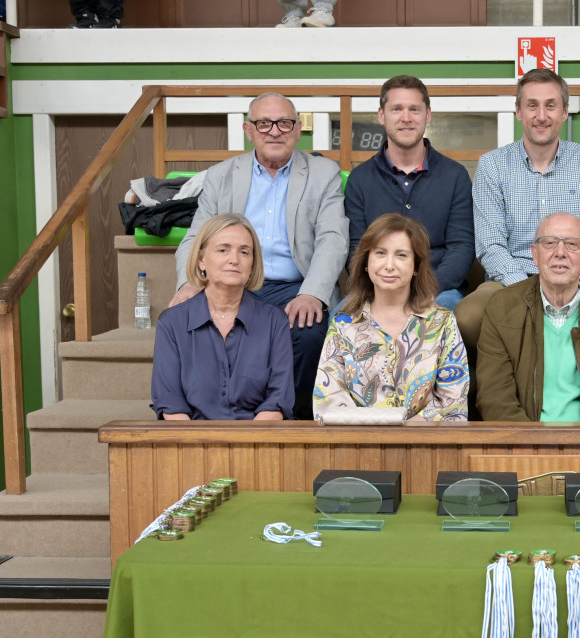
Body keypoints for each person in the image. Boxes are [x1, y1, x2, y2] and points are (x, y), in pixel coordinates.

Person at [173, 92, 348, 420]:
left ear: (297, 130)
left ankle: (295, 423)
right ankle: (215, 422)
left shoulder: (323, 173)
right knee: (189, 321)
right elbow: (196, 237)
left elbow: (332, 239)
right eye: (264, 123)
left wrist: (312, 292)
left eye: (284, 123)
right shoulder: (222, 175)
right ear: (248, 130)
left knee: (310, 333)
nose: (275, 131)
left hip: (296, 283)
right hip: (236, 282)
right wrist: (188, 282)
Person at [458, 68, 580, 353]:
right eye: (532, 105)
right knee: (468, 316)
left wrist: (570, 284)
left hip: (577, 277)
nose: (541, 116)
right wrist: (531, 290)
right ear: (518, 111)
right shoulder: (492, 165)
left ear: (565, 111)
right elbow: (490, 244)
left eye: (550, 105)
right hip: (511, 279)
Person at [475, 213, 580, 422]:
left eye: (572, 244)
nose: (560, 253)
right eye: (549, 243)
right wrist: (534, 448)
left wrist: (577, 446)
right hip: (522, 447)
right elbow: (495, 399)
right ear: (535, 254)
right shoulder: (500, 310)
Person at [314, 214, 468, 421]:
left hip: (425, 445)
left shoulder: (442, 323)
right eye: (380, 253)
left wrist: (407, 433)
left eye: (401, 255)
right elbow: (328, 402)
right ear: (366, 262)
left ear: (416, 266)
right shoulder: (343, 325)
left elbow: (453, 403)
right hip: (358, 445)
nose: (389, 265)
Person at [344, 75, 474, 310]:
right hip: (377, 289)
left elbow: (461, 247)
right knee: (339, 316)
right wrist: (385, 291)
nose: (406, 118)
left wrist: (426, 290)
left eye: (414, 109)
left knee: (448, 314)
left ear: (428, 114)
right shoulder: (360, 179)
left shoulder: (455, 176)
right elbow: (356, 251)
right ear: (382, 115)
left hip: (439, 290)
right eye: (397, 109)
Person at [153, 214, 294, 421]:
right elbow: (172, 406)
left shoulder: (275, 322)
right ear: (201, 260)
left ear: (253, 264)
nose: (234, 260)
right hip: (191, 444)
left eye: (244, 252)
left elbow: (278, 401)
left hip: (257, 443)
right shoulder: (172, 323)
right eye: (223, 250)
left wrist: (246, 449)